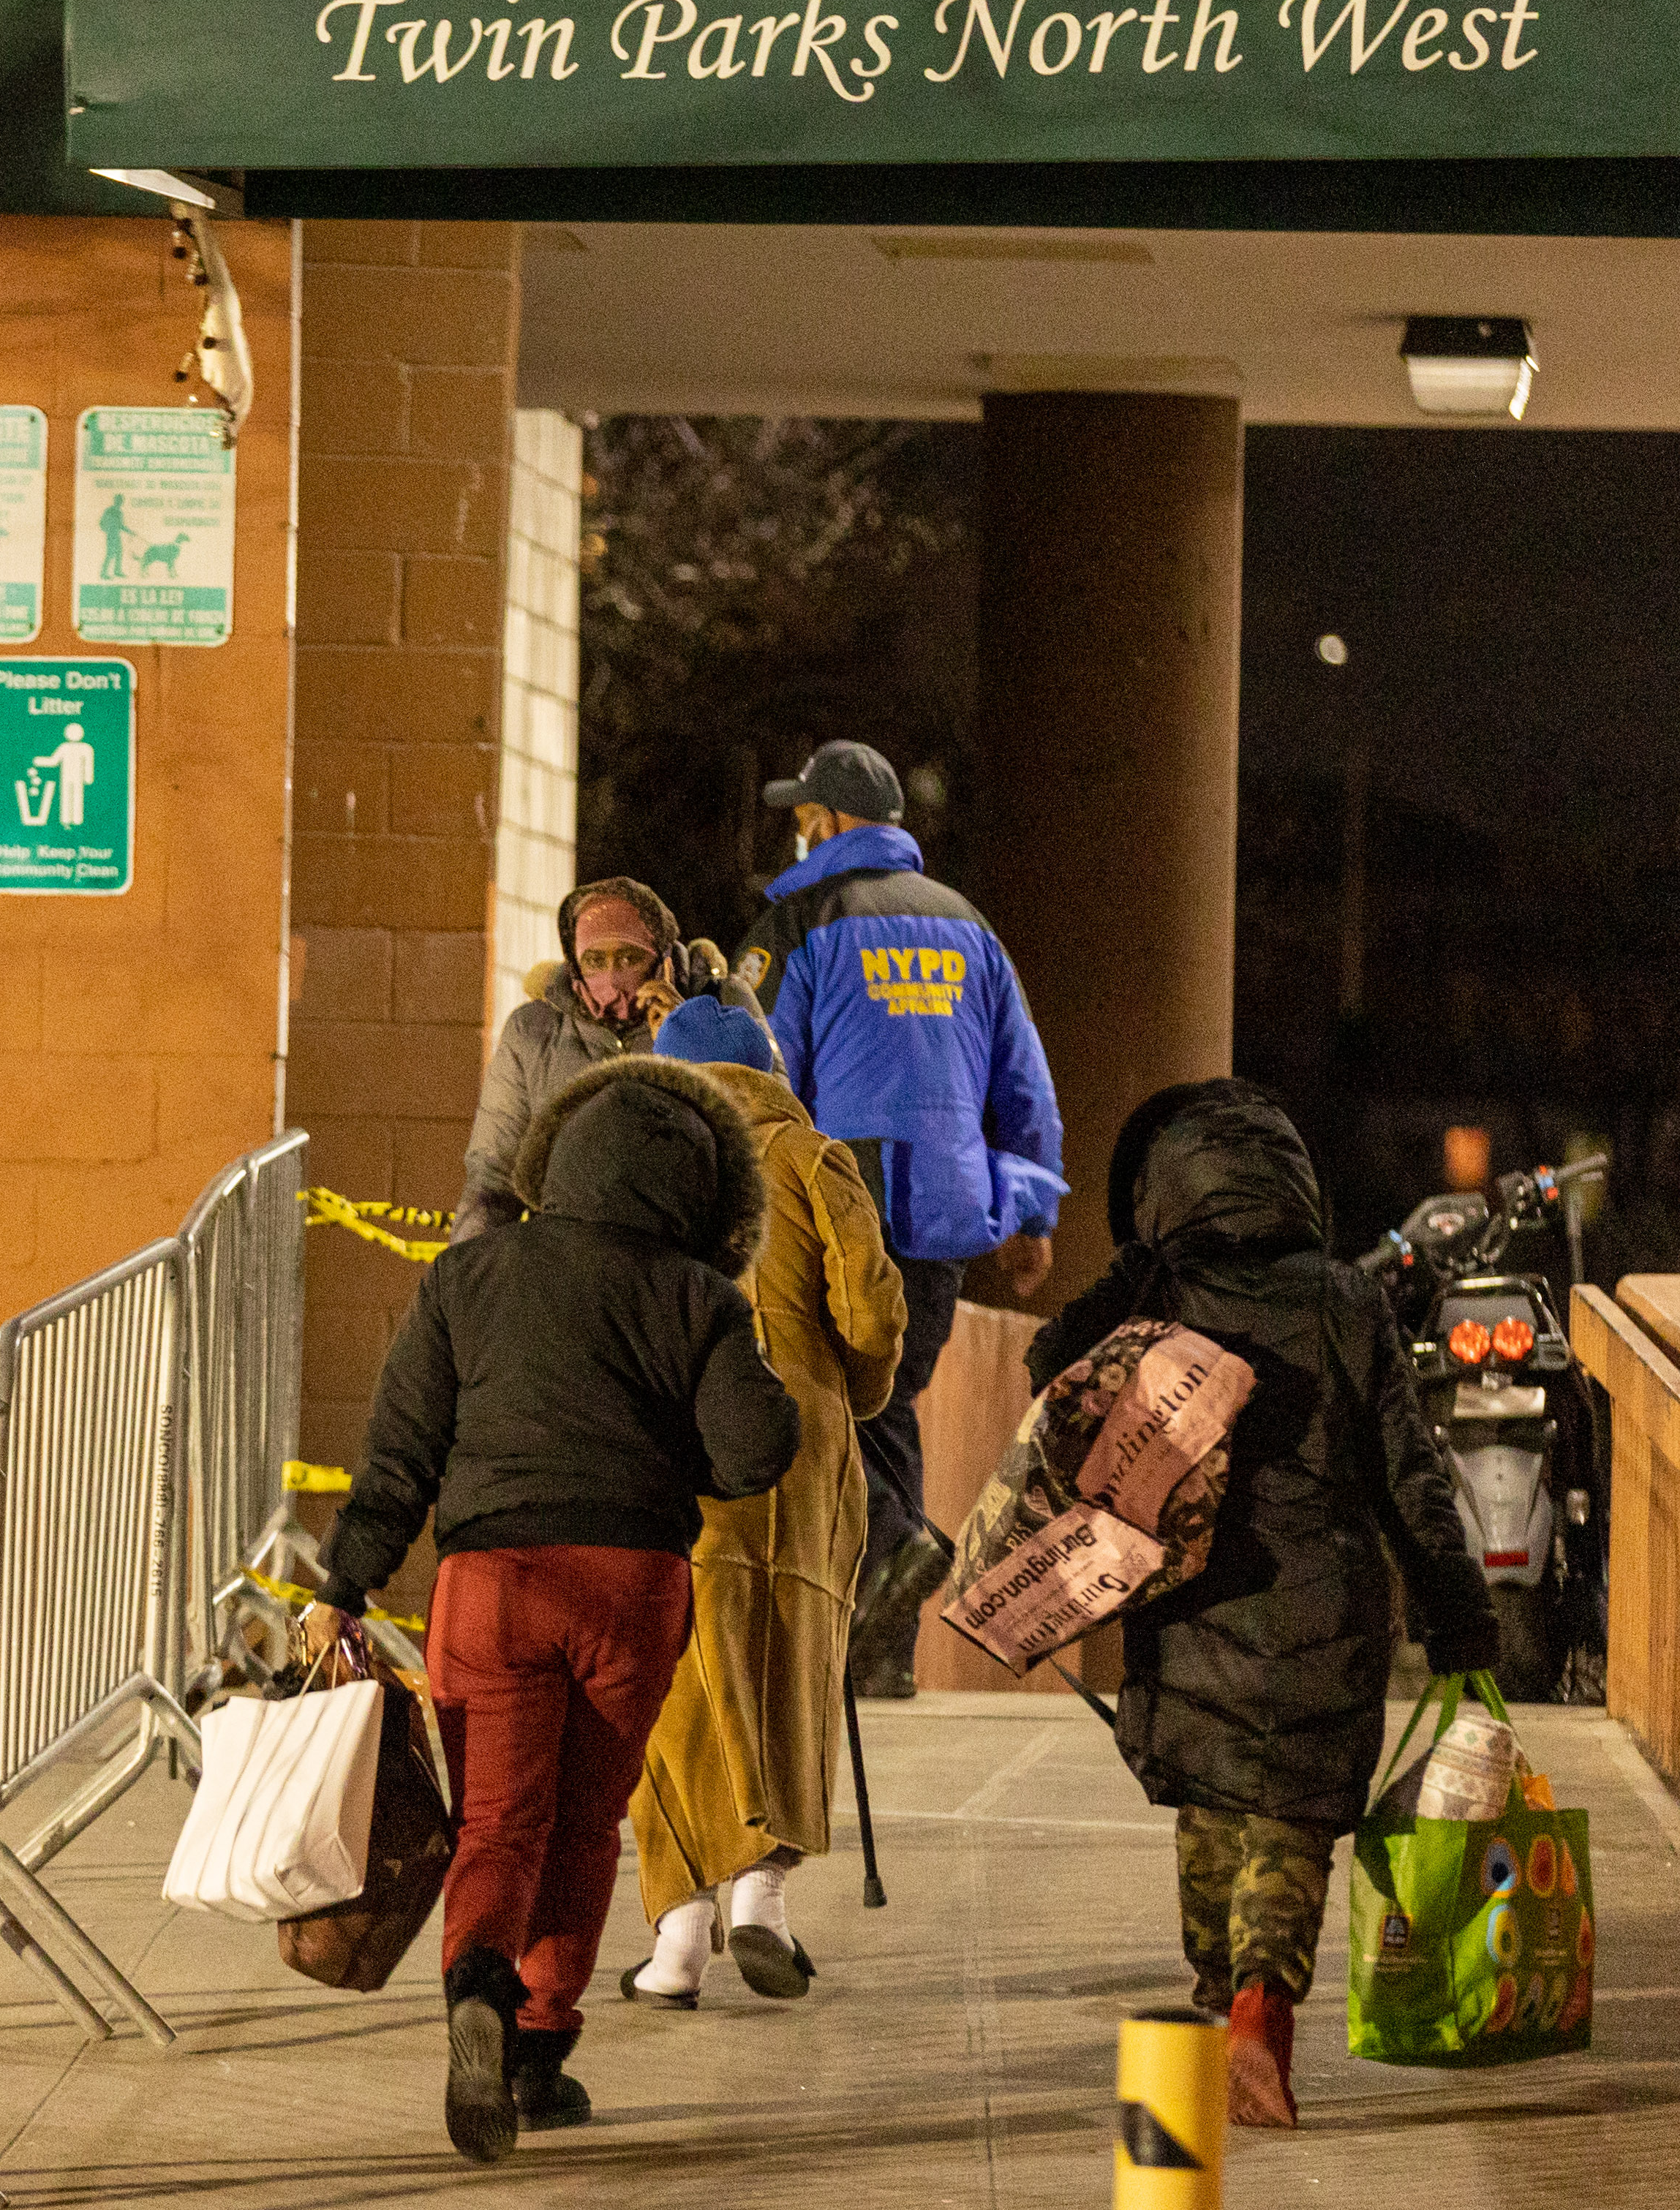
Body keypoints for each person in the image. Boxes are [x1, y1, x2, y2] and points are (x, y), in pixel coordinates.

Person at [309, 1053, 799, 2164]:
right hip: (632, 1584)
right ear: (700, 1192)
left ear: (557, 1160)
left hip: (492, 1583)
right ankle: (536, 2055)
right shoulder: (700, 1295)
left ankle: (477, 1983)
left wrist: (343, 1584)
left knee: (497, 1820)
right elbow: (754, 1451)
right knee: (582, 1826)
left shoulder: (468, 1276)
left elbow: (400, 1451)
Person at [1022, 1079, 1499, 2130]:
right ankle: (1255, 2010)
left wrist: (1127, 1279)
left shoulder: (1157, 1299)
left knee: (1212, 1819)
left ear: (1164, 1194)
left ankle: (1216, 2011)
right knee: (1290, 1831)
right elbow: (1410, 1474)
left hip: (1192, 1616)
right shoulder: (1344, 1301)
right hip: (1325, 1618)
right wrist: (1454, 1608)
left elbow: (1048, 1375)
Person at [742, 739, 1064, 1698]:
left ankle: (895, 1540)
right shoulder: (968, 928)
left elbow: (760, 1073)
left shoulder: (802, 920)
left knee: (822, 1400)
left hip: (837, 1203)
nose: (799, 830)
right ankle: (878, 1652)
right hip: (944, 1211)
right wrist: (1032, 1211)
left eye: (805, 815)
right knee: (885, 1404)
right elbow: (1022, 1081)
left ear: (832, 821)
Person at [606, 998, 903, 2008]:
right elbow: (870, 1310)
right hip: (804, 1452)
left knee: (681, 1678)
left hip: (678, 1435)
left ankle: (677, 1939)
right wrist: (850, 1393)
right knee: (794, 1660)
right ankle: (762, 1900)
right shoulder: (812, 1157)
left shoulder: (640, 1164)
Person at [454, 876, 734, 1242]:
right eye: (595, 960)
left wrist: (690, 1037)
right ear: (575, 963)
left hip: (683, 1252)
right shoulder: (534, 1032)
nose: (612, 977)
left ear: (661, 960)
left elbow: (768, 1121)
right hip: (569, 1254)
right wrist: (467, 1271)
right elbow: (492, 1179)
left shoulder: (723, 1004)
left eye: (630, 957)